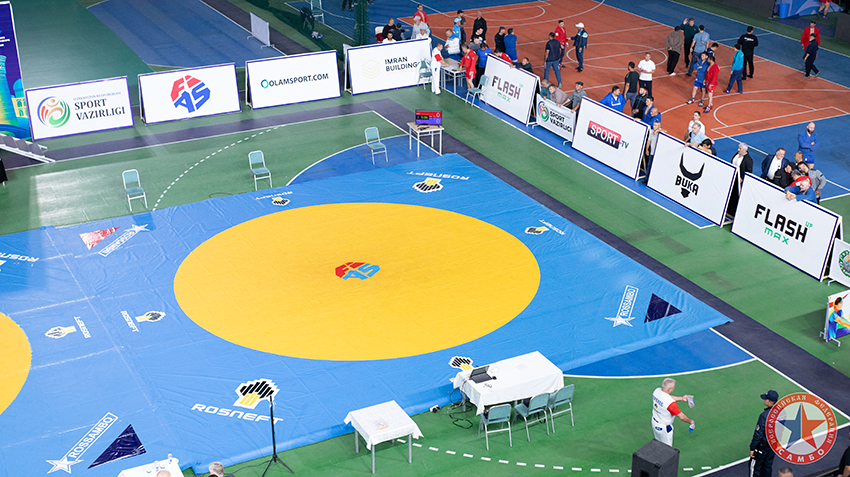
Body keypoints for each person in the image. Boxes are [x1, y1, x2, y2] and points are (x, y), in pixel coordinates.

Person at [651, 378, 695, 447]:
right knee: (667, 449)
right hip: (664, 428)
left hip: (655, 423)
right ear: (670, 389)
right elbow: (682, 417)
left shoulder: (656, 391)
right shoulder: (670, 404)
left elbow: (667, 397)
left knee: (658, 444)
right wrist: (690, 421)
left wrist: (682, 398)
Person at [750, 391, 778, 477]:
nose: (764, 400)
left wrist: (752, 448)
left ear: (771, 402)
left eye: (766, 399)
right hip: (773, 445)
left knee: (756, 467)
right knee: (767, 467)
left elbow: (758, 434)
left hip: (762, 447)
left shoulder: (764, 416)